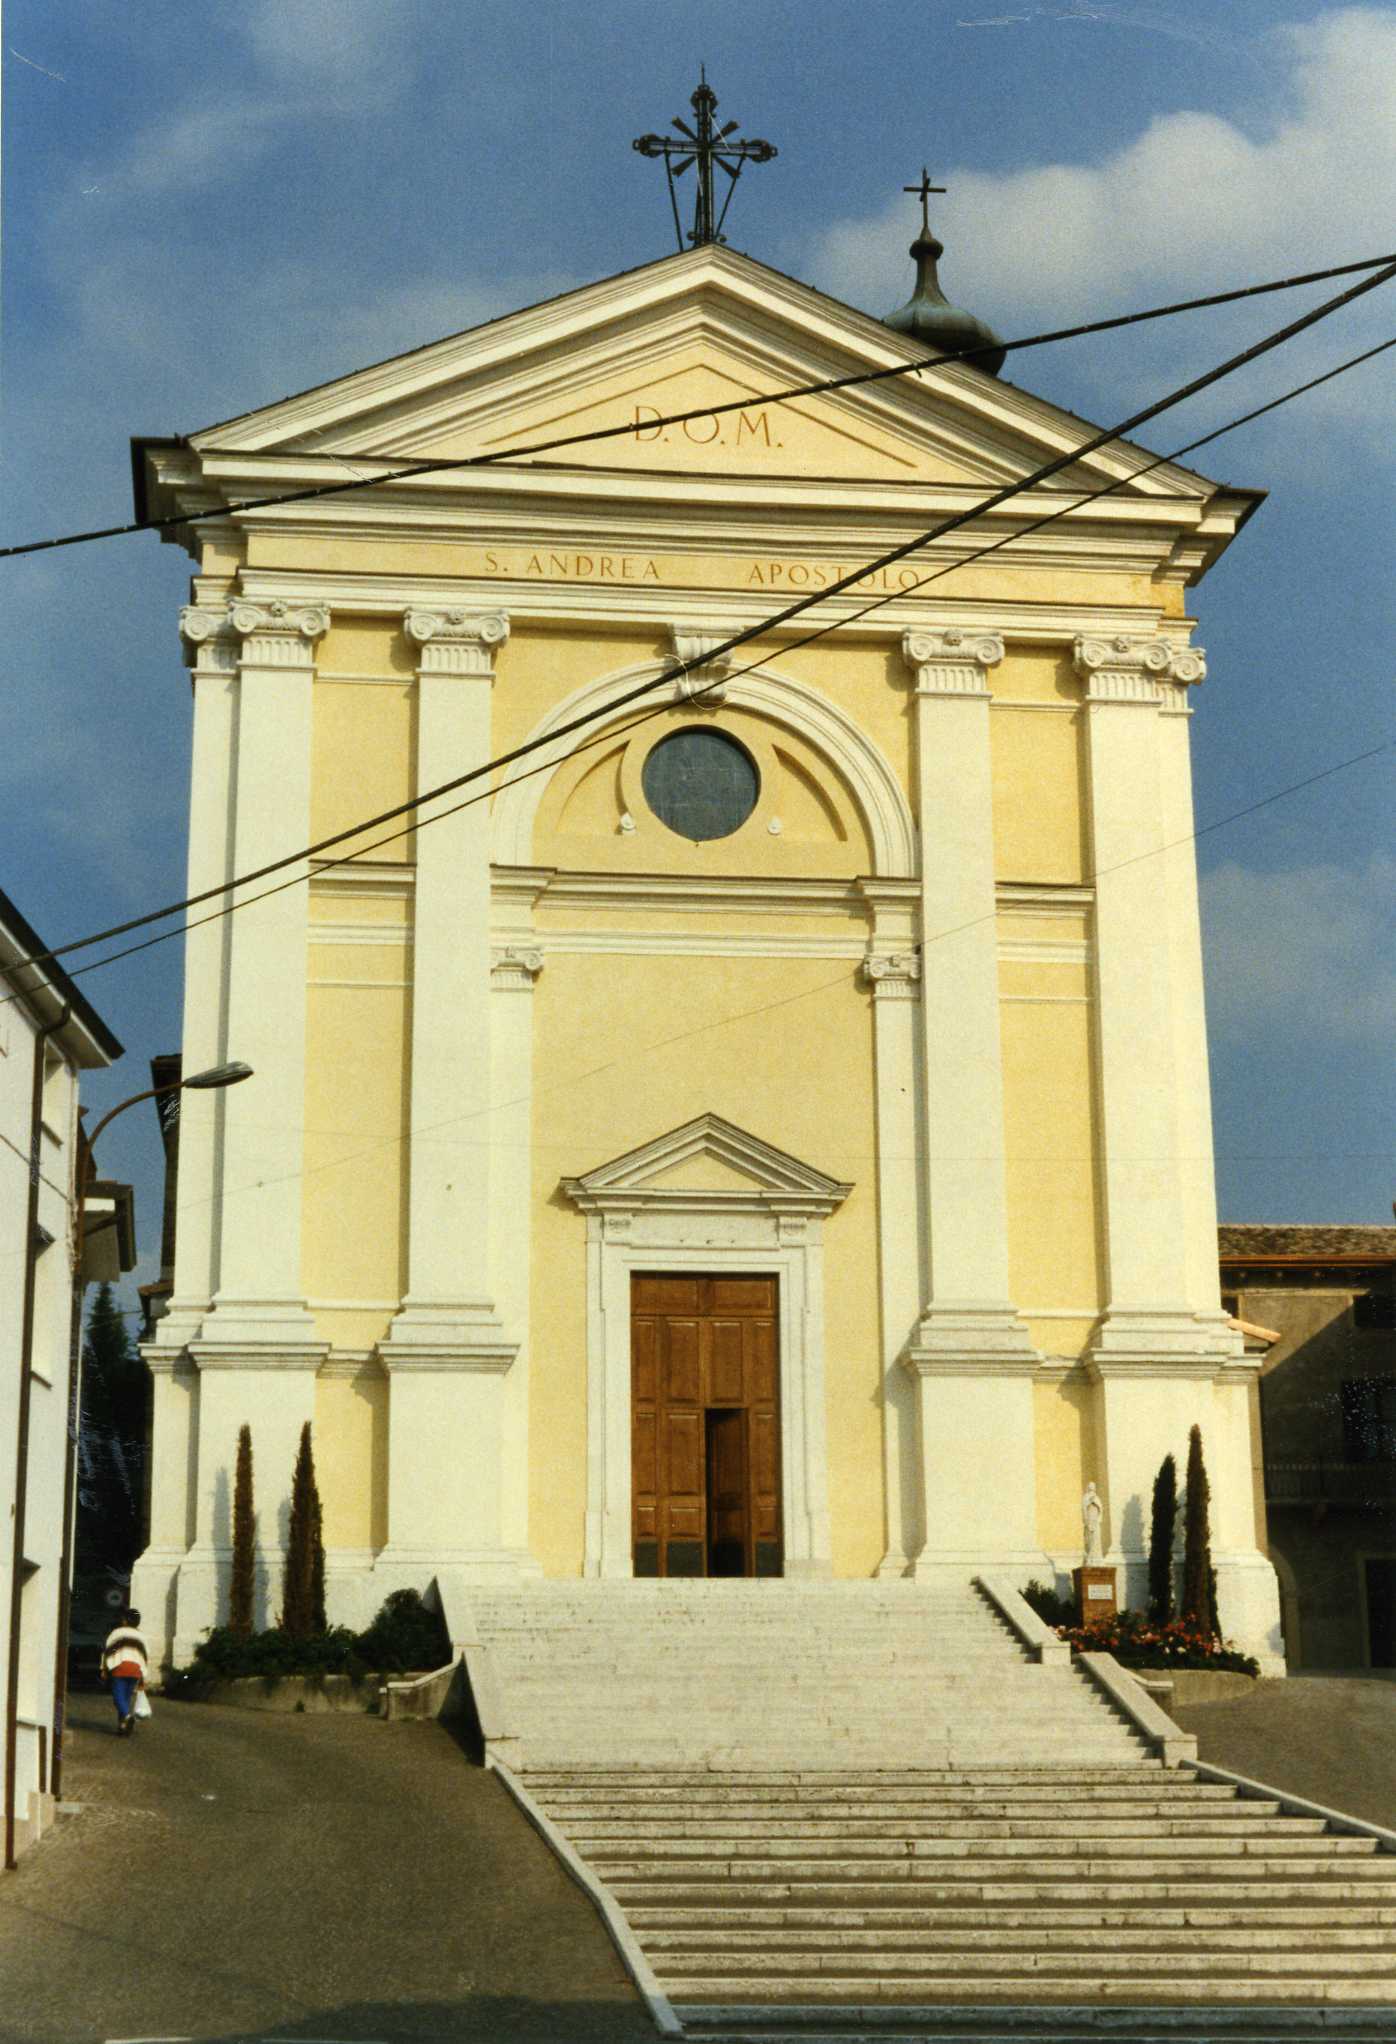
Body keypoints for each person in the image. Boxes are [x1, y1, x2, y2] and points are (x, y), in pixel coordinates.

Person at [101, 1607, 149, 1735]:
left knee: (118, 1698)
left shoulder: (117, 1633)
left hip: (120, 1667)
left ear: (124, 1620)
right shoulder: (141, 1636)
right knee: (126, 1697)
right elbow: (144, 1656)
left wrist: (104, 1668)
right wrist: (143, 1677)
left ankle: (127, 1717)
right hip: (135, 1670)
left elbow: (108, 1651)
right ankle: (122, 1726)